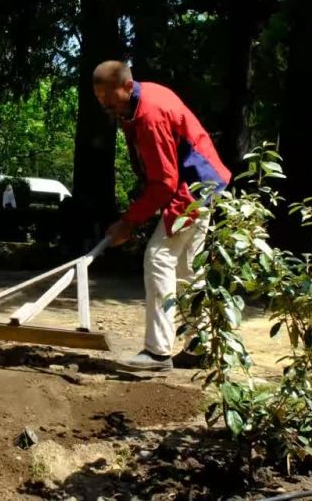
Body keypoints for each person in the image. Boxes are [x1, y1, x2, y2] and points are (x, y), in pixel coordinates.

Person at [93, 60, 232, 370]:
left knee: (158, 257)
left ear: (128, 87)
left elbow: (165, 182)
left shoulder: (149, 115)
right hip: (204, 182)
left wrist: (129, 222)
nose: (110, 110)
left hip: (193, 186)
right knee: (187, 270)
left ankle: (157, 352)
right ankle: (199, 348)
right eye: (103, 104)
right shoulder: (137, 103)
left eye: (113, 103)